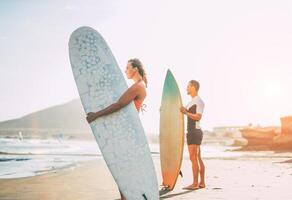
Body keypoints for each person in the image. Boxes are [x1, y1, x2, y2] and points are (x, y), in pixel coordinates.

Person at [86, 58, 147, 200]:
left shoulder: (138, 86)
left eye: (127, 68)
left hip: (127, 133)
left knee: (122, 169)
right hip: (129, 131)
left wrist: (96, 115)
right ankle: (125, 197)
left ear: (135, 69)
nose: (125, 70)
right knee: (124, 168)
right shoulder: (142, 85)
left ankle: (125, 198)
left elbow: (119, 104)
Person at [180, 80, 206, 190]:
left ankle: (195, 183)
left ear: (193, 87)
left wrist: (186, 113)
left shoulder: (199, 101)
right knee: (198, 158)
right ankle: (202, 183)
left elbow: (198, 117)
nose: (186, 88)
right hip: (194, 132)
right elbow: (181, 110)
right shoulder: (191, 102)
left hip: (194, 132)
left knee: (193, 158)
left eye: (188, 86)